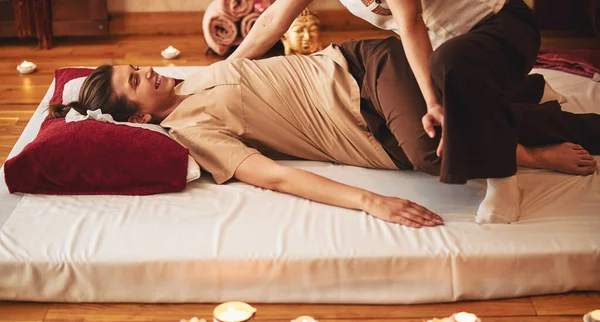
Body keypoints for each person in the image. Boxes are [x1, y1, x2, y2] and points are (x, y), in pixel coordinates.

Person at [48, 39, 599, 229]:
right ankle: (532, 132)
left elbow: (264, 39)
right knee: (449, 138)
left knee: (434, 150)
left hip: (367, 63)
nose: (148, 71)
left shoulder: (198, 75)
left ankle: (524, 153)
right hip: (373, 127)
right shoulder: (191, 131)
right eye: (137, 81)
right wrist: (370, 202)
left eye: (136, 67)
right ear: (141, 118)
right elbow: (277, 177)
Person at [227, 0, 574, 223]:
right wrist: (224, 69)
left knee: (448, 76)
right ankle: (531, 97)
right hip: (446, 54)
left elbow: (411, 25)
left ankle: (504, 176)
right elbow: (274, 17)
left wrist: (433, 104)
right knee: (438, 118)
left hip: (499, 29)